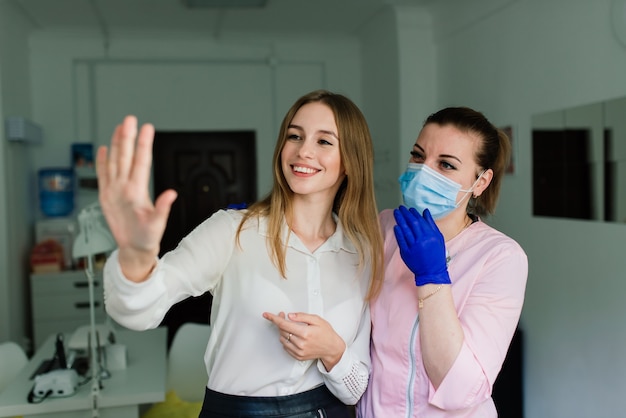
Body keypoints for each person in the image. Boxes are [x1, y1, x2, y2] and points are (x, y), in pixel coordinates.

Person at [96, 89, 384, 418]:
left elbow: (356, 388)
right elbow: (136, 313)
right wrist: (136, 257)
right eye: (295, 135)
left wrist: (331, 350)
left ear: (350, 161)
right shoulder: (231, 231)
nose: (303, 151)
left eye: (324, 141)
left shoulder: (361, 254)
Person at [357, 106, 528, 417]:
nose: (424, 172)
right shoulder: (385, 228)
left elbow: (462, 388)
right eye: (418, 156)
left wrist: (432, 276)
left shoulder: (500, 257)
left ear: (480, 181)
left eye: (446, 165)